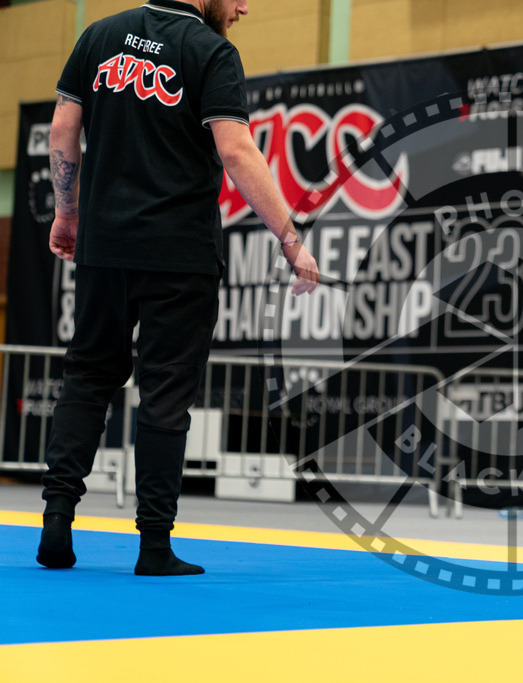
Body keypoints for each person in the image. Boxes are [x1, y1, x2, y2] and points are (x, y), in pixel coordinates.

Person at [37, 0, 320, 575]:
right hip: (179, 253)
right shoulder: (210, 51)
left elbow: (63, 129)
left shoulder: (99, 35)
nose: (245, 6)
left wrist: (68, 215)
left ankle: (57, 519)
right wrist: (291, 239)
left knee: (87, 373)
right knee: (165, 393)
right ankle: (154, 546)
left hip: (104, 244)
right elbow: (236, 151)